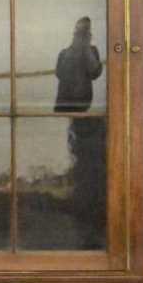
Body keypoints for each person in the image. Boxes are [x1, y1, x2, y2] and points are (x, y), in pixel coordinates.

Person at [54, 17, 105, 247]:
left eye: (83, 34)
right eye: (82, 34)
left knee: (79, 149)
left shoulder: (82, 51)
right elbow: (63, 72)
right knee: (74, 147)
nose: (84, 37)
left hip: (78, 109)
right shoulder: (67, 53)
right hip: (70, 108)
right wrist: (80, 49)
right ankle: (76, 185)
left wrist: (83, 50)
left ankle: (78, 185)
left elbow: (95, 71)